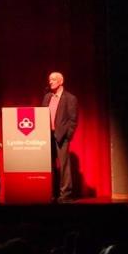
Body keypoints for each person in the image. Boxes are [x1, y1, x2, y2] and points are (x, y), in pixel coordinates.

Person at [42, 71, 78, 203]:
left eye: (53, 79)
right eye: (49, 80)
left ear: (61, 81)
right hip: (46, 136)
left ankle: (65, 194)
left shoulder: (70, 98)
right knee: (48, 166)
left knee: (63, 166)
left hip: (61, 136)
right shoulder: (47, 97)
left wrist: (68, 135)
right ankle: (50, 193)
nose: (50, 82)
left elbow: (73, 120)